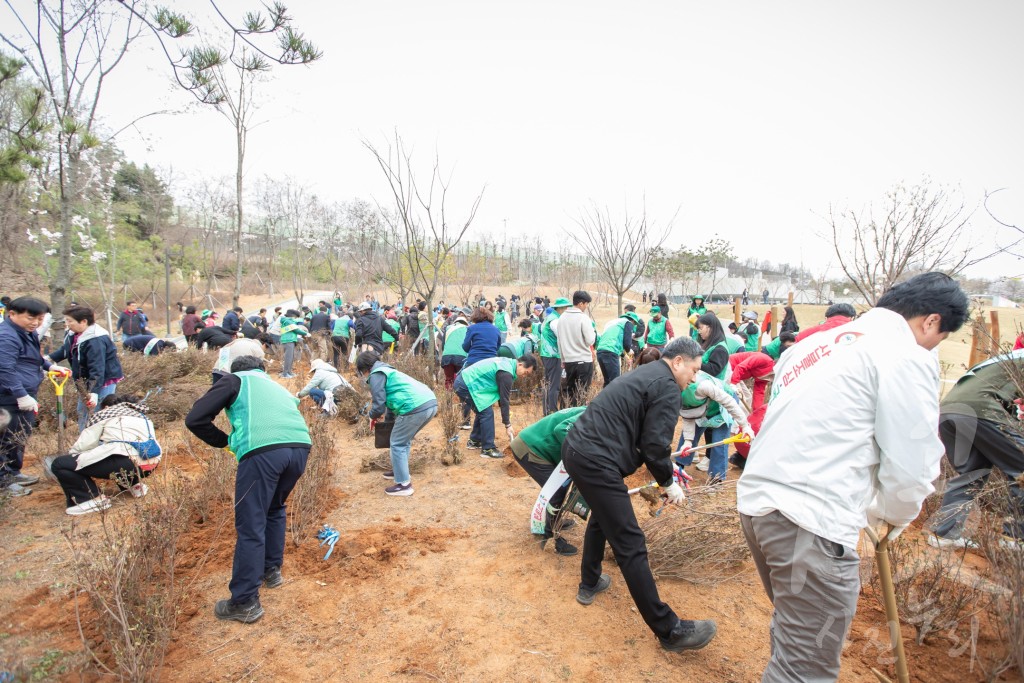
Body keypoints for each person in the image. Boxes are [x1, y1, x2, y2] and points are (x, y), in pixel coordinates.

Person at [737, 272, 969, 682]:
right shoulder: (902, 353)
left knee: (795, 634)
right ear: (931, 321)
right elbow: (913, 462)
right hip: (810, 521)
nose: (935, 346)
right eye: (941, 336)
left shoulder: (812, 346)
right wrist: (893, 515)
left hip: (760, 507)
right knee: (803, 669)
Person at [561, 336, 718, 652]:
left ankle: (589, 581)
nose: (695, 377)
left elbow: (645, 437)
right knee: (631, 543)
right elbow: (655, 446)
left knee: (603, 518)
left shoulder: (648, 373)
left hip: (578, 450)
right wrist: (668, 483)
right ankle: (669, 630)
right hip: (595, 459)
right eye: (694, 369)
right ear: (677, 362)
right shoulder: (667, 387)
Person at [186, 355, 311, 624]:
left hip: (263, 451)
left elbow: (195, 419)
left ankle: (244, 601)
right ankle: (271, 571)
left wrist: (225, 442)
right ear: (262, 369)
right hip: (300, 446)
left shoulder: (235, 380)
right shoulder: (276, 385)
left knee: (251, 522)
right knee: (275, 508)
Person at [928, 353, 1024, 548]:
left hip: (949, 411)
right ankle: (1015, 538)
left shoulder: (1008, 356)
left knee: (972, 473)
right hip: (983, 411)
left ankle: (944, 535)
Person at [0, 297, 71, 495]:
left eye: (40, 319)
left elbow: (32, 358)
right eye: (31, 318)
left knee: (19, 436)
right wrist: (21, 395)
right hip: (8, 397)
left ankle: (13, 472)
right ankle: (3, 481)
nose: (36, 323)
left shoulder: (26, 332)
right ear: (12, 314)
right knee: (5, 438)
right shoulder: (6, 336)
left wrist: (49, 366)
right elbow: (4, 369)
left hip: (25, 393)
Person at [49, 394, 159, 515]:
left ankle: (90, 498)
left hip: (126, 463)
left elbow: (83, 446)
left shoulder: (104, 414)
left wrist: (72, 460)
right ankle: (135, 485)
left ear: (106, 407)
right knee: (118, 454)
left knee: (60, 464)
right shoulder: (142, 416)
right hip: (151, 463)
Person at [356, 351, 438, 496]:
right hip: (430, 403)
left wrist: (372, 416)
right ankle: (399, 471)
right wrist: (388, 423)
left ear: (364, 369)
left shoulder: (376, 374)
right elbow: (391, 403)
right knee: (403, 441)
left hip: (414, 407)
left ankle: (404, 485)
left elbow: (379, 404)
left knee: (398, 443)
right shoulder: (388, 371)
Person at [511, 406, 586, 556]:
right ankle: (551, 535)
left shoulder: (593, 411)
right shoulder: (591, 415)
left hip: (538, 446)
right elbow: (561, 429)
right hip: (531, 448)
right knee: (556, 491)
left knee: (562, 486)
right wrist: (576, 455)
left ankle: (554, 520)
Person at [48, 306, 124, 431]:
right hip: (86, 380)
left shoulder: (95, 340)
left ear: (83, 321)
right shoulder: (74, 333)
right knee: (83, 411)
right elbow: (67, 349)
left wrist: (93, 392)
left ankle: (97, 444)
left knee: (98, 412)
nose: (67, 324)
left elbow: (98, 367)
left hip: (102, 380)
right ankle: (86, 441)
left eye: (70, 321)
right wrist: (49, 359)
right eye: (66, 320)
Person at [674, 369, 753, 482]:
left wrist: (745, 425)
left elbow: (729, 403)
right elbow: (688, 417)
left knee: (719, 442)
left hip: (722, 406)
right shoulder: (677, 394)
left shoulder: (703, 386)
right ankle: (679, 469)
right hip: (701, 408)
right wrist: (688, 441)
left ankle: (716, 479)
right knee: (688, 440)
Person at [453, 354, 538, 459]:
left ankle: (475, 440)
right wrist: (507, 424)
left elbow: (502, 397)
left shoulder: (508, 364)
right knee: (486, 413)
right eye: (526, 372)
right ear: (520, 364)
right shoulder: (506, 373)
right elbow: (504, 400)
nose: (524, 376)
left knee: (483, 410)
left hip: (465, 381)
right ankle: (488, 449)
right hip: (465, 384)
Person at [727, 351, 776, 469]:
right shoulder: (765, 360)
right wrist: (733, 383)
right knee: (733, 401)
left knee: (745, 397)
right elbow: (741, 366)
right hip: (729, 368)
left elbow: (759, 391)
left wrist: (757, 414)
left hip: (737, 375)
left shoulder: (768, 377)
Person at [555, 290, 597, 407]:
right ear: (581, 303)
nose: (586, 306)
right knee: (581, 393)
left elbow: (560, 341)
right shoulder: (583, 318)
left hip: (569, 361)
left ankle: (564, 416)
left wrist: (563, 359)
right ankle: (577, 419)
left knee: (569, 391)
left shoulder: (562, 318)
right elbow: (590, 340)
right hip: (583, 361)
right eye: (586, 304)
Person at [539, 297, 569, 415]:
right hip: (553, 355)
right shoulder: (556, 320)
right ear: (561, 308)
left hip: (546, 354)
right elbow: (562, 337)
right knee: (554, 384)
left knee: (548, 383)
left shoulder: (549, 318)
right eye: (566, 308)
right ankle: (552, 411)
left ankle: (546, 410)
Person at [595, 312, 638, 386]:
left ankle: (605, 397)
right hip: (610, 353)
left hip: (600, 351)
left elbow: (615, 342)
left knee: (608, 381)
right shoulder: (628, 323)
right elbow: (627, 343)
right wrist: (629, 350)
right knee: (615, 382)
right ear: (633, 321)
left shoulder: (612, 323)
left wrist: (624, 356)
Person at [440, 308, 471, 389]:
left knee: (448, 380)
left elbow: (443, 345)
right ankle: (458, 399)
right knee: (460, 381)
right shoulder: (468, 329)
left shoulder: (448, 328)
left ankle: (448, 400)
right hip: (461, 358)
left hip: (446, 357)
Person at [694, 313, 730, 380]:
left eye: (701, 328)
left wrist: (693, 362)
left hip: (710, 386)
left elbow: (713, 370)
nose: (699, 332)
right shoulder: (708, 343)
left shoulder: (720, 349)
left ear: (710, 327)